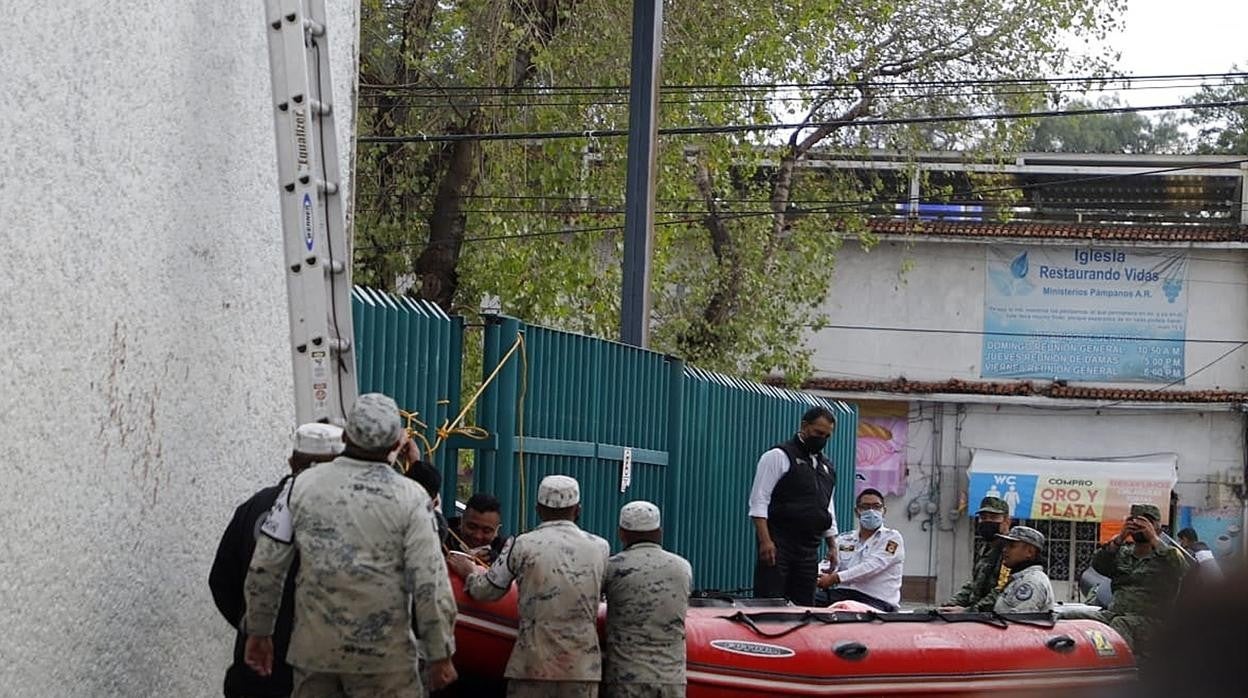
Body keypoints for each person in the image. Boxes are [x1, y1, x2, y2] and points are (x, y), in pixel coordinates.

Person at [243, 393, 459, 697]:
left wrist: (259, 630)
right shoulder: (412, 499)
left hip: (316, 654)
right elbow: (429, 580)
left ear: (345, 435)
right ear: (396, 444)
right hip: (386, 662)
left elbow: (266, 565)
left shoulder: (298, 487)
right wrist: (440, 651)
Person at [209, 423, 344, 698]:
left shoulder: (255, 506)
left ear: (292, 460)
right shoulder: (349, 516)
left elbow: (222, 581)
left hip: (258, 667)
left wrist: (255, 626)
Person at [448, 475, 610, 698]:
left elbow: (485, 591)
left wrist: (469, 572)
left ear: (538, 509)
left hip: (532, 664)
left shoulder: (522, 544)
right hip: (581, 668)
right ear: (577, 510)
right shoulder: (600, 547)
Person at [749, 405, 839, 606]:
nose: (821, 439)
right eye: (818, 433)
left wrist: (832, 544)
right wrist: (765, 541)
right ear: (804, 426)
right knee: (771, 602)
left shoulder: (827, 467)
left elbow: (827, 506)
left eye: (826, 435)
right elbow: (759, 501)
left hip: (809, 547)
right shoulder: (778, 456)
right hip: (779, 542)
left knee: (805, 605)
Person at [601, 501, 693, 698]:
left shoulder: (612, 568)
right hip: (672, 678)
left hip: (626, 678)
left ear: (621, 533)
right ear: (659, 532)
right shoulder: (682, 567)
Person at [1089, 503, 1189, 657]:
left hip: (1152, 623)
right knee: (1064, 617)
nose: (1140, 525)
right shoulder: (1122, 554)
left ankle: (1119, 672)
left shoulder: (1166, 556)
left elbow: (1183, 570)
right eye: (1135, 521)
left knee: (1120, 624)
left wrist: (1154, 539)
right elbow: (1098, 565)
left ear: (1158, 528)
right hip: (1114, 614)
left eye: (1147, 522)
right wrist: (1120, 538)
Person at [815, 488, 904, 612]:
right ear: (857, 512)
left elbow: (871, 567)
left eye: (877, 506)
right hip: (843, 594)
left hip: (877, 601)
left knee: (845, 606)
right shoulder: (844, 539)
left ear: (884, 511)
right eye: (866, 507)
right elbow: (828, 564)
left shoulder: (892, 538)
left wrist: (835, 578)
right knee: (805, 599)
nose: (871, 511)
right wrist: (815, 575)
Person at [939, 496, 1011, 612]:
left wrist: (968, 611)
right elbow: (975, 584)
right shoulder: (985, 548)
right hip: (977, 615)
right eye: (983, 518)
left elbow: (1002, 590)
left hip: (994, 617)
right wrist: (951, 604)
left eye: (993, 518)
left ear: (1007, 521)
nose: (987, 522)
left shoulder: (1009, 550)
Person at [993, 526, 1054, 614]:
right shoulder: (1019, 578)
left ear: (1029, 552)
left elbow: (1019, 622)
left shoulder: (1031, 582)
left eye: (1012, 546)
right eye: (1005, 545)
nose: (1005, 550)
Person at [446, 493, 507, 563]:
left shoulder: (506, 553)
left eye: (486, 531)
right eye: (472, 527)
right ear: (461, 522)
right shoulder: (441, 540)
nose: (477, 536)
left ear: (497, 530)